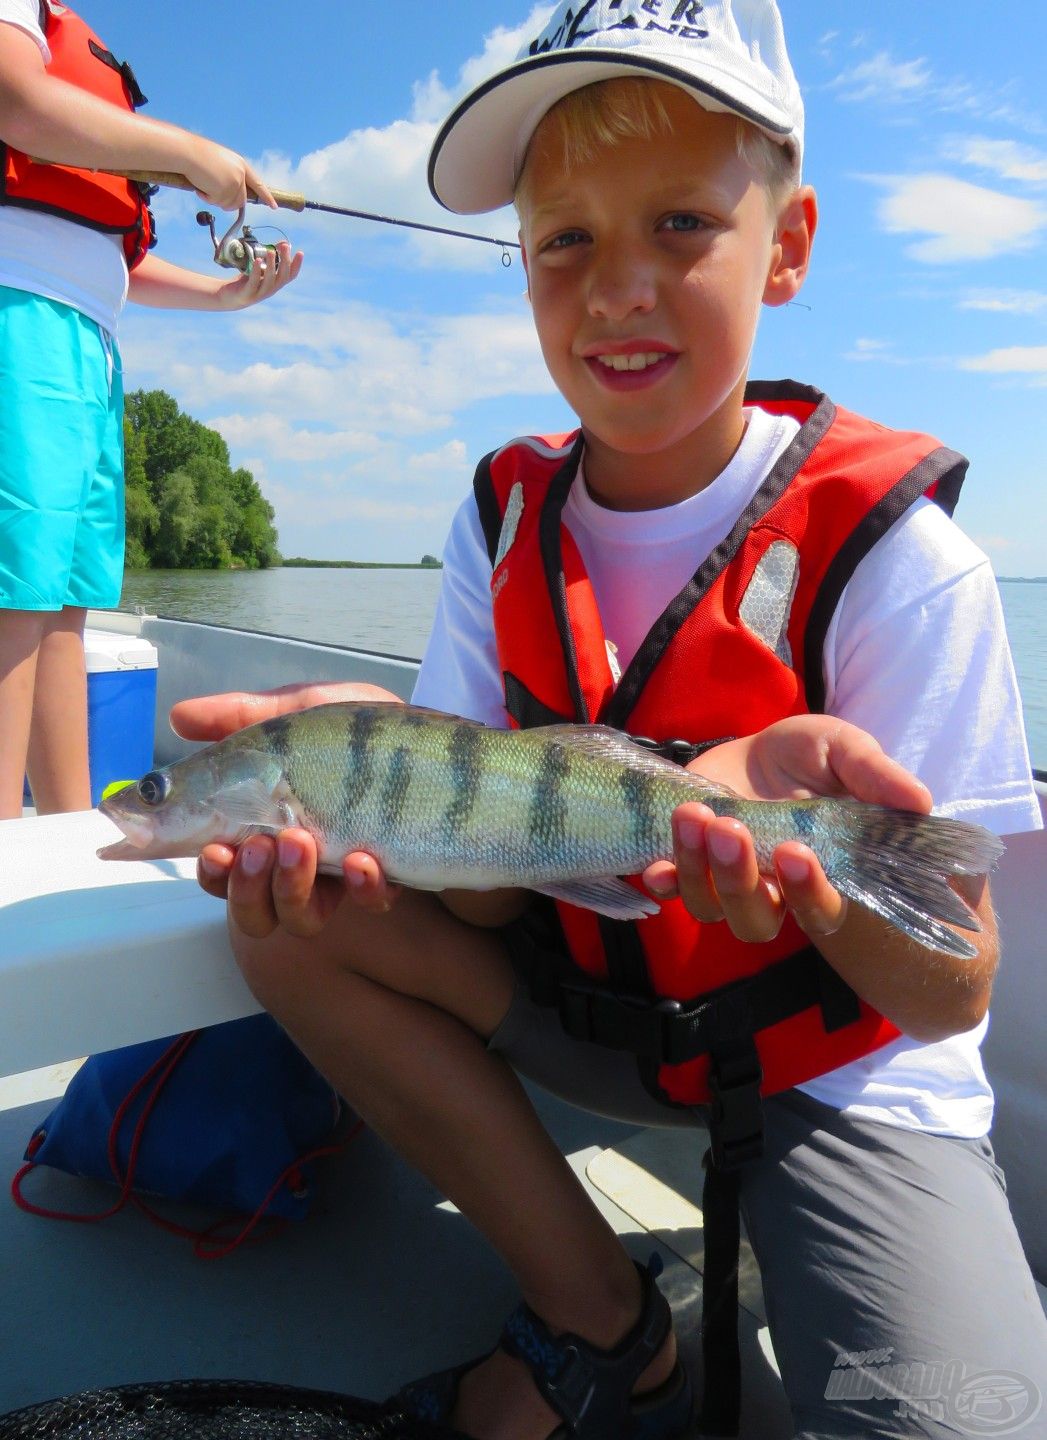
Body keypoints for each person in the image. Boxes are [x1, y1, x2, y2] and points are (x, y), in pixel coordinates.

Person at [174, 2, 1046, 1436]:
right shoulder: (498, 516)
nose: (613, 288)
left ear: (789, 244)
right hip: (597, 1000)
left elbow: (950, 993)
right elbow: (468, 906)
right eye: (560, 239)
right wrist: (355, 789)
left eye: (681, 225)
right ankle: (603, 1321)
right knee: (284, 919)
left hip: (841, 1070)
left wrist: (808, 881)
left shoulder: (898, 559)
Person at [0, 0, 302, 820]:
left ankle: (61, 834)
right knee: (11, 595)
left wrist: (230, 294)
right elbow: (16, 101)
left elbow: (114, 257)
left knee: (62, 604)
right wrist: (191, 153)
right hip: (17, 313)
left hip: (85, 338)